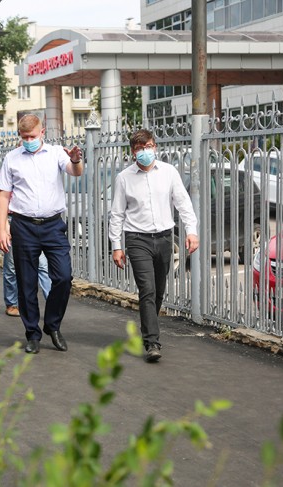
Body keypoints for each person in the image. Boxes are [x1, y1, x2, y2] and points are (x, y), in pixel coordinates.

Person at [108, 129, 199, 363]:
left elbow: (183, 203)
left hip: (165, 238)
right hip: (137, 239)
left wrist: (191, 231)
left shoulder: (168, 172)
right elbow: (117, 214)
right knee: (146, 289)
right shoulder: (124, 178)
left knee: (158, 289)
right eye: (139, 148)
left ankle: (148, 326)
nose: (144, 151)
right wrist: (116, 245)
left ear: (155, 146)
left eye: (147, 146)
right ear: (132, 152)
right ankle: (152, 342)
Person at [0, 114, 83, 354]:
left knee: (63, 277)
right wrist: (2, 228)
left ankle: (52, 325)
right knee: (26, 283)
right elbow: (3, 194)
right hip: (22, 225)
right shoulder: (11, 158)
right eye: (24, 137)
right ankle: (32, 333)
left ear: (42, 132)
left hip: (53, 225)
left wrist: (75, 160)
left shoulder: (55, 153)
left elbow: (75, 172)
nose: (29, 141)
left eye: (32, 136)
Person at [0, 190, 51, 317]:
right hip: (13, 220)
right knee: (12, 265)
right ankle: (12, 303)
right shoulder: (8, 174)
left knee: (42, 265)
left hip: (35, 221)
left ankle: (52, 303)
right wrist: (4, 224)